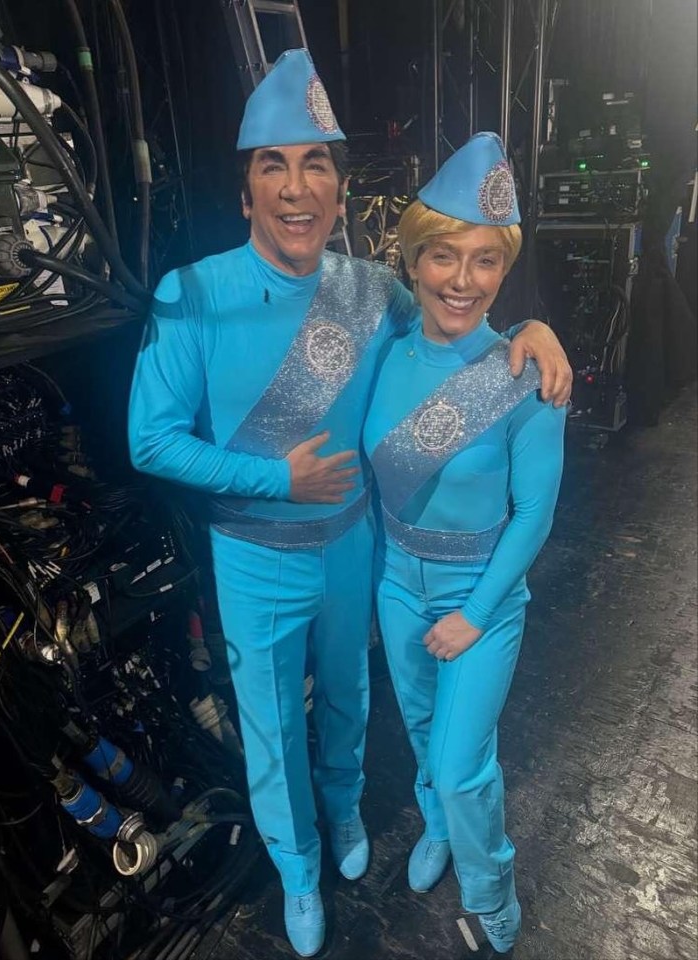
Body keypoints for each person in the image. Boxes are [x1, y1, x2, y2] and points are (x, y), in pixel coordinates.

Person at [128, 50, 571, 958]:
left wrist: (534, 326)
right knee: (272, 727)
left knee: (350, 701)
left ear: (338, 189)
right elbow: (148, 440)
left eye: (316, 163)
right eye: (273, 165)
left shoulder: (374, 292)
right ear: (246, 188)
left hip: (357, 550)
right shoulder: (192, 295)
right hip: (252, 554)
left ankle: (345, 819)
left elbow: (462, 327)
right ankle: (297, 871)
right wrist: (272, 478)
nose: (296, 188)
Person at [363, 132, 567, 956]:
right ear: (414, 259)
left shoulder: (525, 373)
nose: (462, 279)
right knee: (422, 733)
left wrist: (477, 613)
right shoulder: (385, 346)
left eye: (485, 262)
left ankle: (493, 893)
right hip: (395, 581)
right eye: (444, 256)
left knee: (462, 760)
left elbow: (535, 517)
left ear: (504, 270)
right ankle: (442, 829)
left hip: (482, 592)